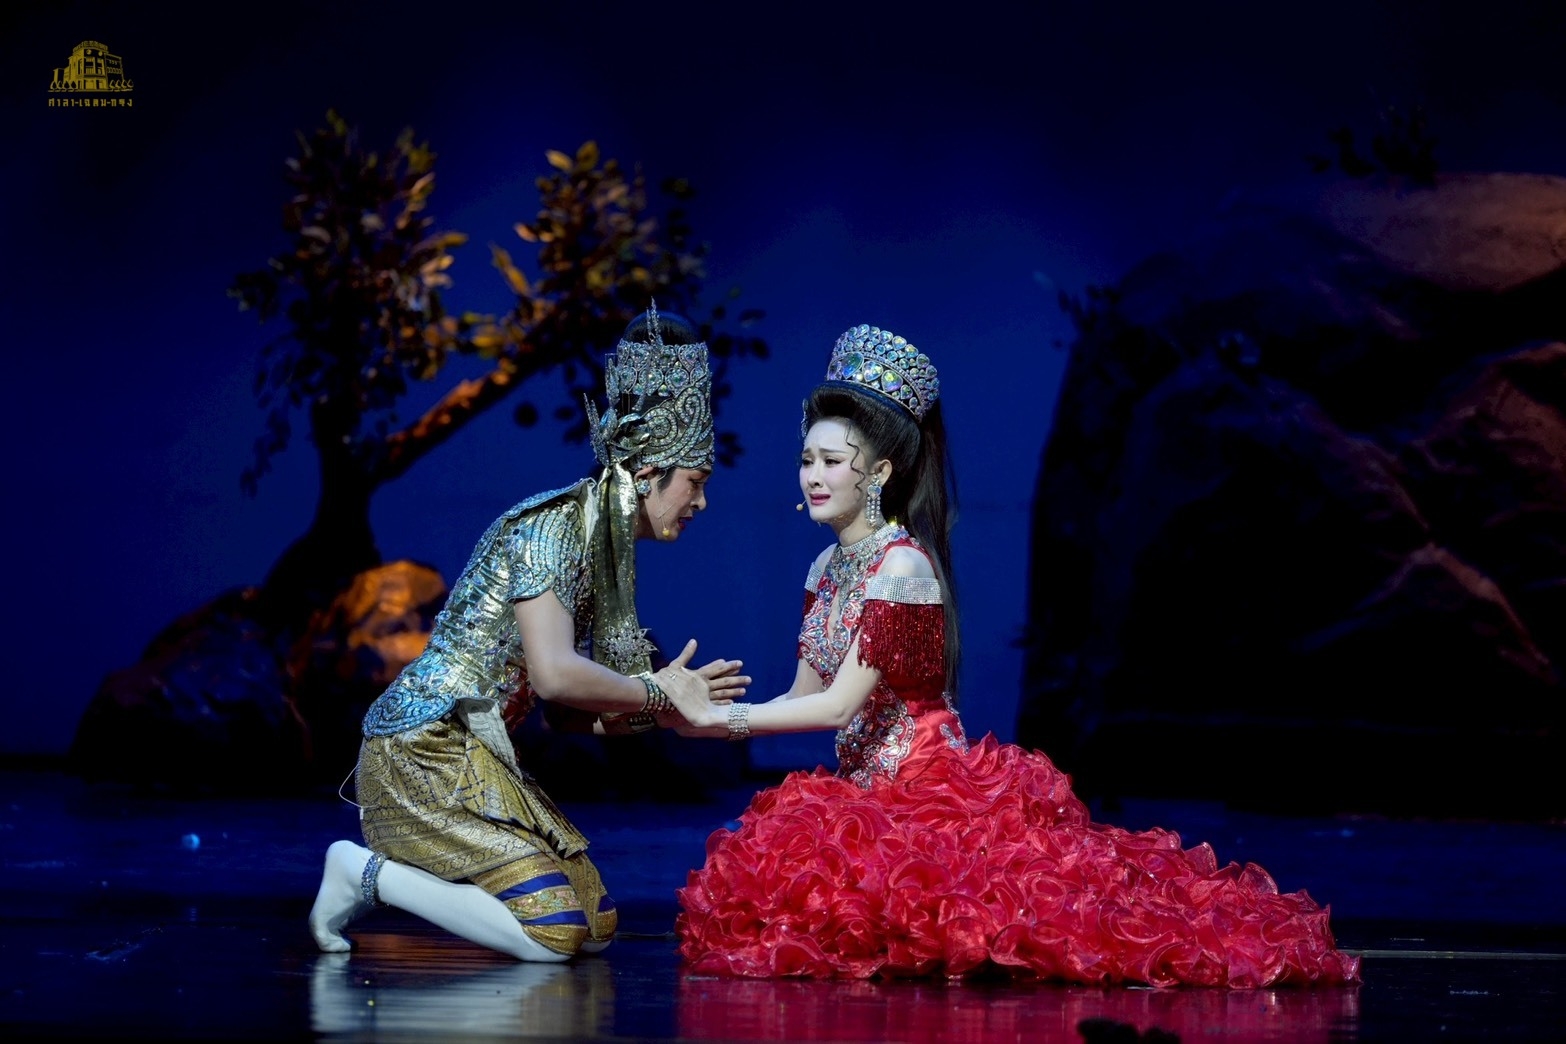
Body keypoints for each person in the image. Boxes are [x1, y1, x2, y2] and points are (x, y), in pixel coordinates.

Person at [673, 323, 1361, 986]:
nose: (812, 477)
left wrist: (718, 722)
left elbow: (837, 707)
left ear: (880, 470)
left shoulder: (901, 566)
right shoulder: (825, 567)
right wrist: (706, 713)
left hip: (929, 793)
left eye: (831, 462)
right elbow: (803, 695)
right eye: (806, 460)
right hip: (865, 794)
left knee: (1023, 921)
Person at [308, 306, 750, 963]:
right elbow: (553, 674)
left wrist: (664, 714)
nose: (701, 502)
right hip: (423, 752)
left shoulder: (601, 551)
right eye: (696, 482)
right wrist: (659, 691)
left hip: (476, 759)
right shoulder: (552, 531)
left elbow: (565, 712)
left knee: (597, 923)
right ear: (648, 473)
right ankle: (363, 874)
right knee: (556, 933)